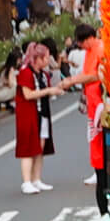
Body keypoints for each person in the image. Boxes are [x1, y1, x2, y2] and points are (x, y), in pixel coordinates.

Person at [58, 24, 110, 221]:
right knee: (100, 158)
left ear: (90, 38)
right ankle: (105, 212)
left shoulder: (101, 49)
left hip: (105, 109)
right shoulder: (89, 52)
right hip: (95, 111)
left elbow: (95, 76)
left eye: (83, 42)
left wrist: (71, 80)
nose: (82, 47)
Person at [14, 43, 64, 195]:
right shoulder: (25, 72)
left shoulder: (43, 74)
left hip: (42, 113)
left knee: (39, 147)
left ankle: (36, 179)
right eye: (46, 57)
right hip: (28, 114)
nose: (48, 60)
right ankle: (26, 181)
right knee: (28, 148)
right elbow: (28, 94)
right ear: (37, 58)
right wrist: (49, 90)